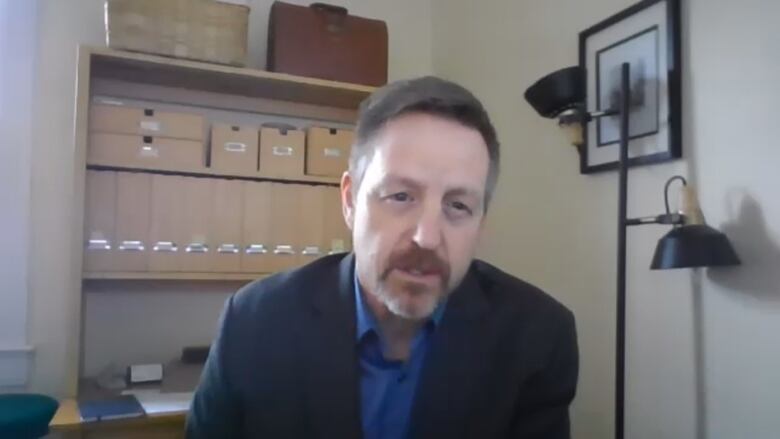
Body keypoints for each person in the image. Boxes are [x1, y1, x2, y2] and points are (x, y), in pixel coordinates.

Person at [186, 76, 579, 439]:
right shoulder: (256, 321)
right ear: (350, 200)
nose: (427, 238)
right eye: (401, 196)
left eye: (458, 205)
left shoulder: (537, 337)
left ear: (481, 223)